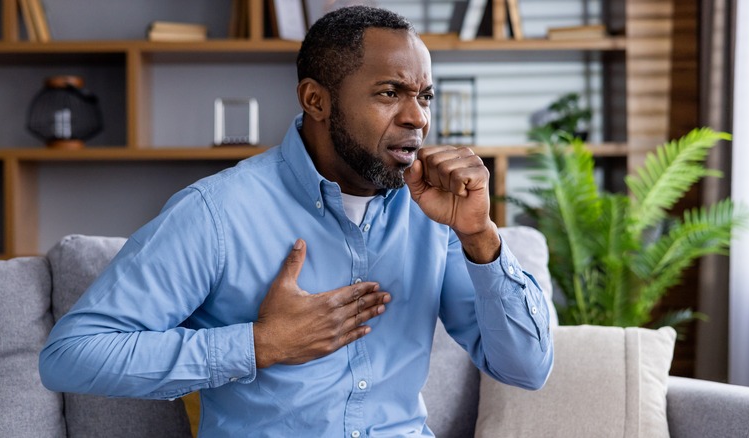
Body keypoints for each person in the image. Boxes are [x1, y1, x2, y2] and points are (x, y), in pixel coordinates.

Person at [40, 6, 553, 437]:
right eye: (390, 92)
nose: (417, 117)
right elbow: (72, 354)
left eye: (424, 96)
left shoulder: (436, 215)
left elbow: (526, 369)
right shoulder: (218, 212)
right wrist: (261, 345)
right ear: (316, 100)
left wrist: (480, 237)